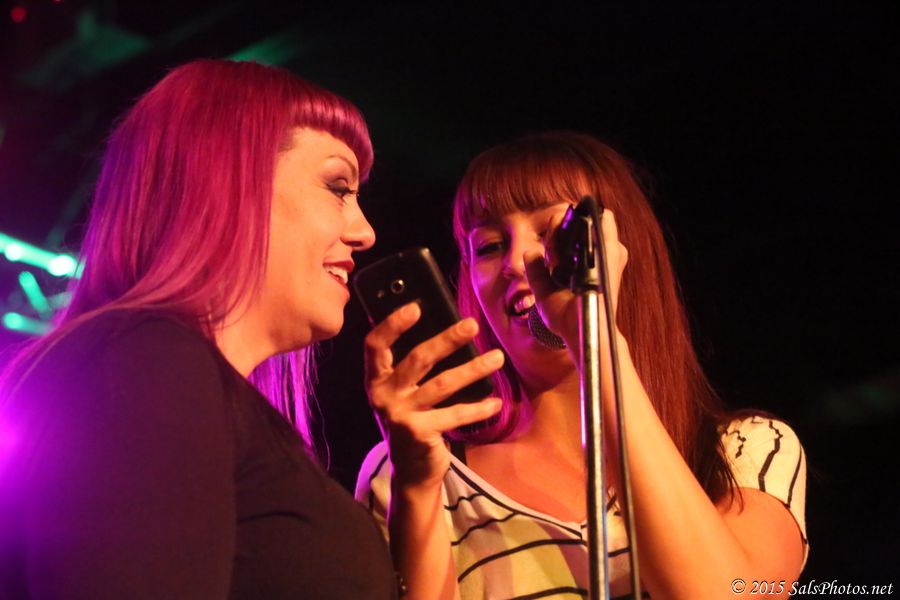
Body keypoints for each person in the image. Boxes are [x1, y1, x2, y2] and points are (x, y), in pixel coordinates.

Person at [0, 59, 405, 599]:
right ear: (230, 182)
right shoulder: (147, 361)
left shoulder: (176, 378)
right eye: (338, 187)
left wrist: (419, 486)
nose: (365, 231)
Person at [356, 132, 808, 599]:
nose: (516, 262)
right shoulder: (412, 470)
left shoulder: (746, 450)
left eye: (551, 232)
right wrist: (416, 489)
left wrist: (593, 336)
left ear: (620, 253)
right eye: (489, 246)